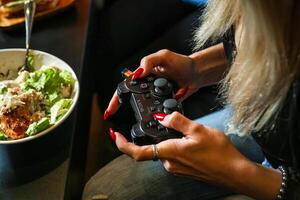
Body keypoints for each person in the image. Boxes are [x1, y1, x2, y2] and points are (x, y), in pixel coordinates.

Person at [83, 0, 300, 199]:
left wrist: (234, 173)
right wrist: (198, 68)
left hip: (282, 183)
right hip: (265, 127)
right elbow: (265, 49)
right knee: (106, 189)